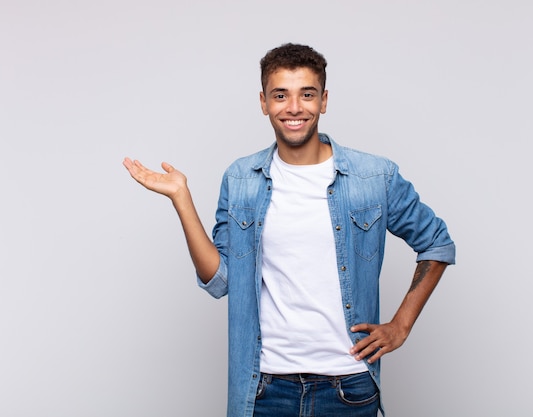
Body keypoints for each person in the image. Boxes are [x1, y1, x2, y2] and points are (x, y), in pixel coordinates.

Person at [123, 43, 455, 417]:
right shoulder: (241, 179)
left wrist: (401, 325)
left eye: (306, 94)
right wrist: (181, 198)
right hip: (265, 388)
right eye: (280, 95)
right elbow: (219, 280)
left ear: (324, 100)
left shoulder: (374, 177)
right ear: (264, 102)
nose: (294, 107)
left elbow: (436, 243)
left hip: (348, 386)